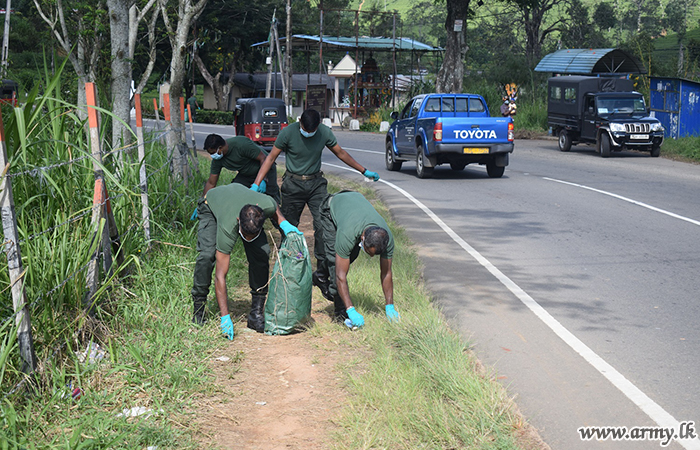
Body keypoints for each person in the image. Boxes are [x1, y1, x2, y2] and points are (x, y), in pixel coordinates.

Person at [251, 108, 380, 302]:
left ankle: (322, 275)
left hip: (316, 184)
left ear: (318, 126)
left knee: (324, 229)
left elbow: (341, 153)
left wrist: (364, 171)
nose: (308, 133)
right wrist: (257, 182)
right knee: (288, 229)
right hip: (293, 184)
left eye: (312, 131)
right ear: (300, 122)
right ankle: (287, 272)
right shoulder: (288, 133)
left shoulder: (324, 133)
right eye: (305, 129)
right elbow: (271, 157)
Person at [191, 183, 301, 339]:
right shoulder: (229, 226)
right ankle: (199, 308)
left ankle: (256, 313)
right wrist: (225, 317)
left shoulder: (265, 206)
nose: (248, 239)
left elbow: (273, 204)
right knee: (207, 256)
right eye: (246, 234)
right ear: (238, 222)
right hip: (212, 205)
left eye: (253, 235)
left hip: (241, 199)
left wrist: (283, 222)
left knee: (262, 253)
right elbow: (220, 275)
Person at [318, 190, 399, 327]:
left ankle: (319, 275)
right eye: (368, 252)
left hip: (355, 202)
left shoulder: (387, 238)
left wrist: (389, 306)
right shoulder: (347, 234)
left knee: (350, 257)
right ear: (362, 238)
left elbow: (386, 273)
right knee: (335, 260)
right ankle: (340, 312)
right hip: (331, 208)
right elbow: (340, 275)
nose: (371, 257)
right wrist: (351, 309)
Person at [200, 133, 280, 202]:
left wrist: (263, 180)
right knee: (234, 192)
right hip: (246, 174)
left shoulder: (241, 144)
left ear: (220, 148)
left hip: (265, 168)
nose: (212, 156)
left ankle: (279, 218)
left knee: (270, 197)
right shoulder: (217, 160)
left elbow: (263, 158)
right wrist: (203, 202)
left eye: (213, 153)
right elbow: (211, 183)